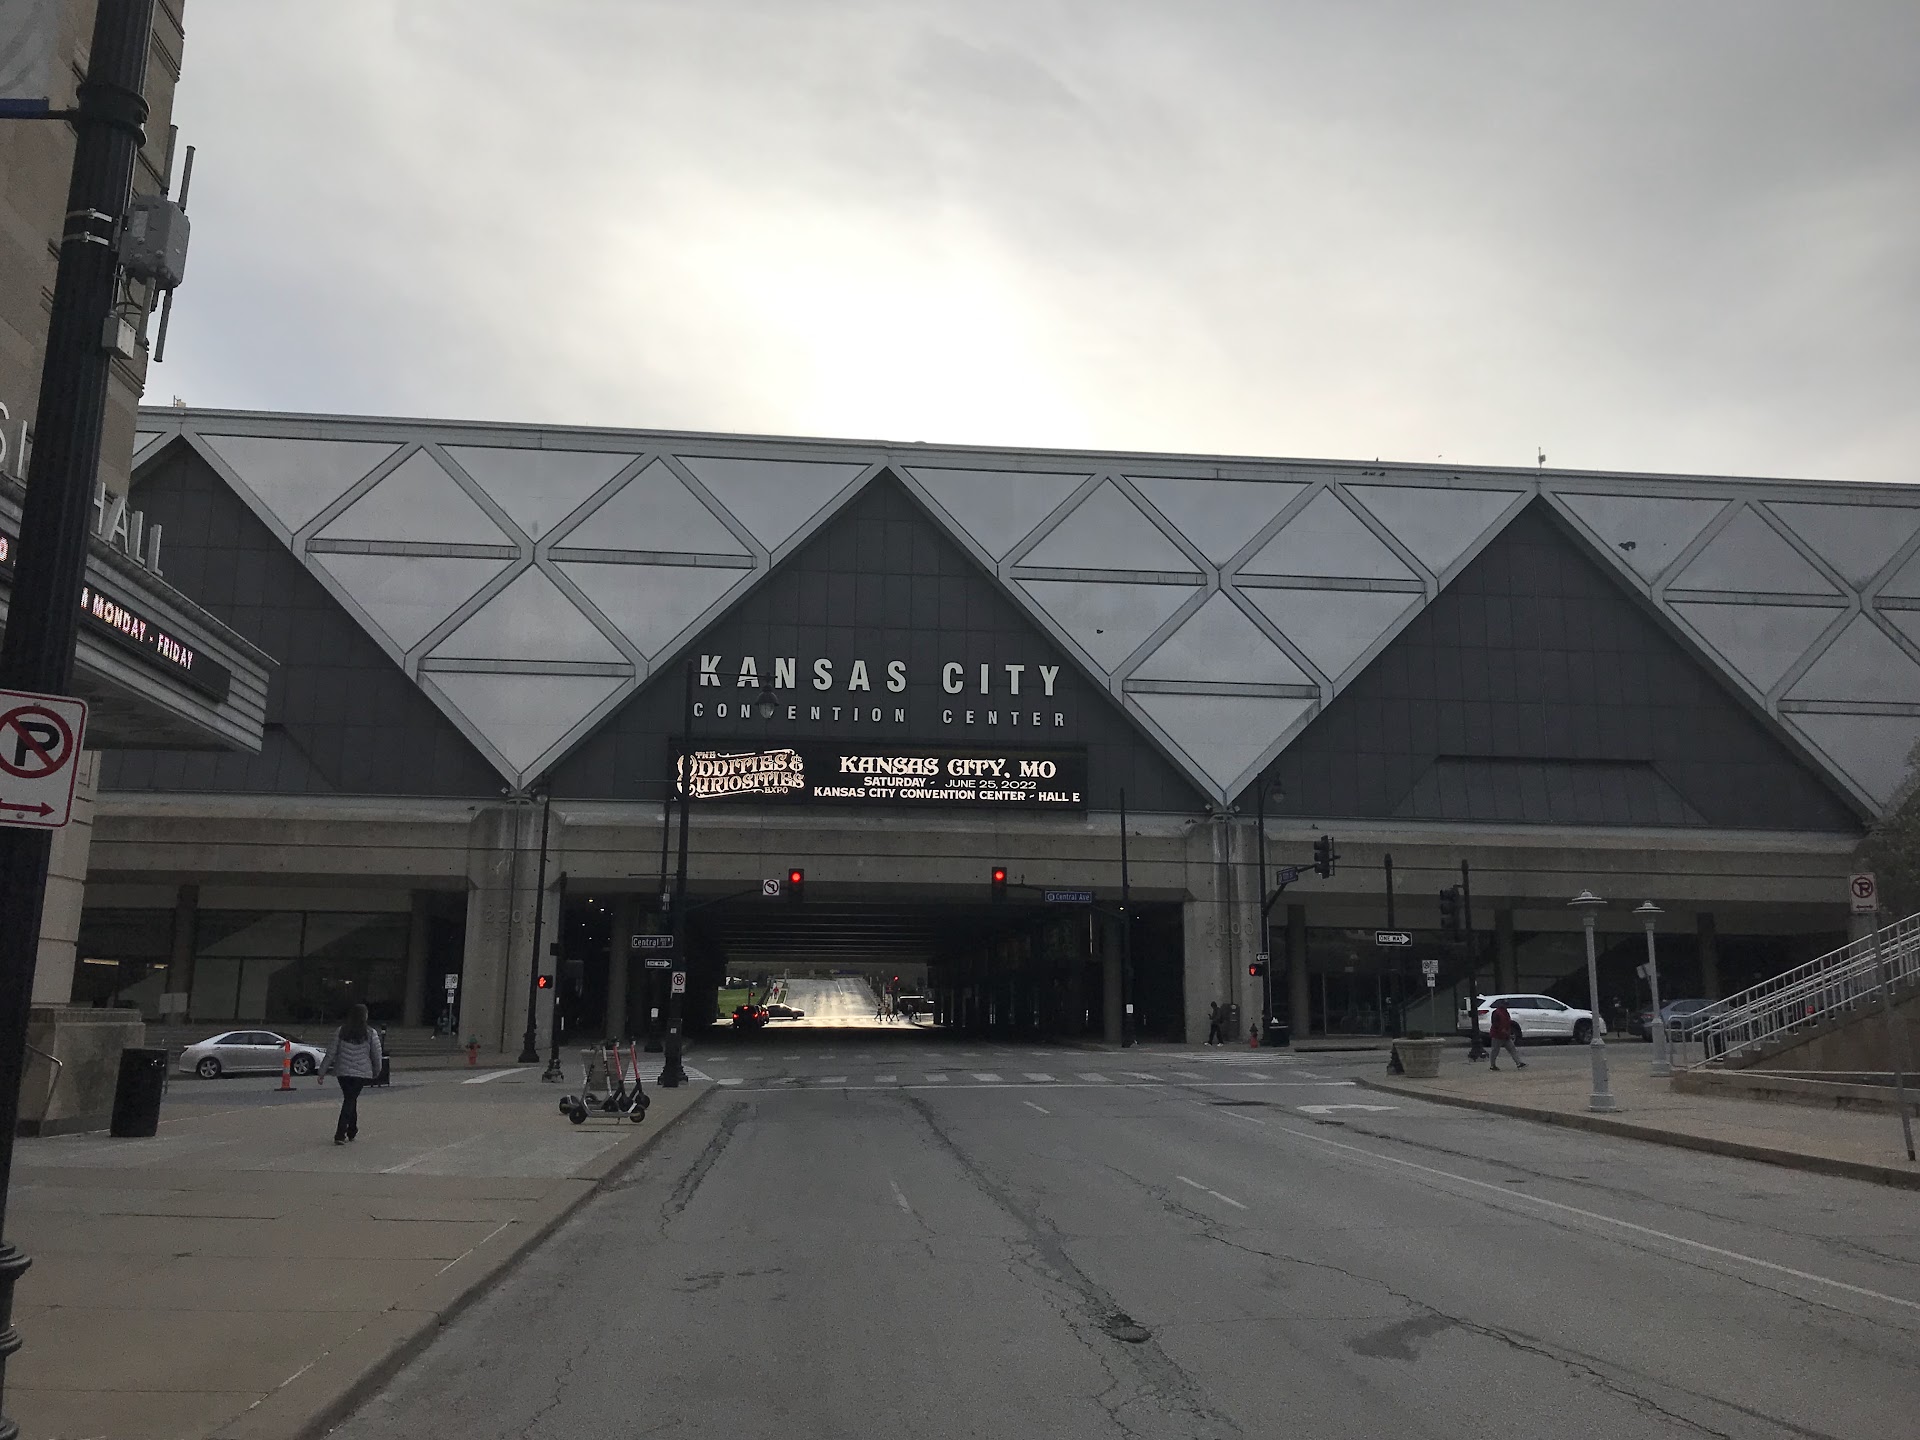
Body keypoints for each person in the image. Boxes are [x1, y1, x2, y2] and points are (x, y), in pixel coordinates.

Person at [318, 1003, 385, 1143]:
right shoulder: (370, 1033)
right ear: (364, 1016)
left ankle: (352, 1130)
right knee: (350, 1099)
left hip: (342, 1071)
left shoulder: (341, 1031)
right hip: (361, 1072)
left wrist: (322, 1071)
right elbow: (376, 1054)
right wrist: (377, 1071)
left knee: (350, 1098)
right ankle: (340, 1133)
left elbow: (331, 1052)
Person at [1488, 1000, 1525, 1071]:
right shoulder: (1497, 1012)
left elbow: (1508, 1023)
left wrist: (1508, 1032)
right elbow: (1495, 1024)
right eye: (1505, 1004)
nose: (1506, 1006)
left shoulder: (1504, 1012)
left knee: (1512, 1049)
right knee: (1495, 1051)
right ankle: (1492, 1065)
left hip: (1505, 1035)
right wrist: (1502, 1030)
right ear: (1501, 1004)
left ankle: (1519, 1063)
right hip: (1497, 1035)